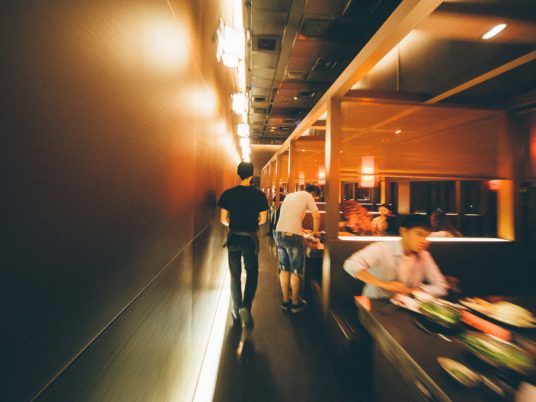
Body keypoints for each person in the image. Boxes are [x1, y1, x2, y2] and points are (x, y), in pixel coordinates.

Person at [343, 214, 448, 299]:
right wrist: (384, 284)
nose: (424, 241)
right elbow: (351, 264)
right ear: (403, 231)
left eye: (426, 236)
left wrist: (414, 290)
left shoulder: (424, 255)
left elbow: (441, 287)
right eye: (419, 234)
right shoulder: (382, 248)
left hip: (407, 306)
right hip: (376, 303)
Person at [218, 162, 269, 329]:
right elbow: (263, 220)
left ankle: (236, 308)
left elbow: (223, 220)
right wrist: (251, 222)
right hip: (250, 240)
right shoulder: (259, 195)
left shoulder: (228, 194)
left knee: (235, 275)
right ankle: (246, 306)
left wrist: (234, 224)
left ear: (238, 173)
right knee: (252, 273)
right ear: (252, 175)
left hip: (233, 238)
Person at [274, 184, 321, 313]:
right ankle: (295, 303)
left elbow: (291, 217)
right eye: (316, 198)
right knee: (295, 270)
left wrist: (302, 230)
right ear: (313, 194)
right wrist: (315, 232)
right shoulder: (308, 196)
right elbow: (316, 216)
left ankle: (285, 301)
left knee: (284, 268)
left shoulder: (290, 195)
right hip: (293, 237)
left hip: (279, 233)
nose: (315, 200)